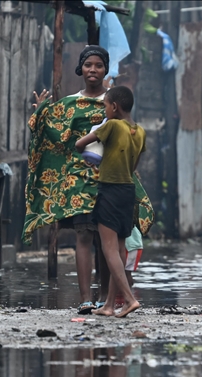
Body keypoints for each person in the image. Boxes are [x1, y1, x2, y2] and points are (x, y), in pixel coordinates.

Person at [23, 45, 153, 315]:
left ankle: (106, 298)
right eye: (88, 65)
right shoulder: (69, 104)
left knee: (107, 241)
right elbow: (54, 134)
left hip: (110, 179)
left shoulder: (115, 101)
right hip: (78, 180)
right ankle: (85, 299)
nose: (93, 70)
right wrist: (41, 113)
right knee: (83, 235)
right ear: (80, 68)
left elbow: (126, 139)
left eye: (98, 65)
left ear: (106, 70)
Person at [74, 86, 144, 318]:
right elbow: (133, 166)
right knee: (120, 249)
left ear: (114, 107)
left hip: (110, 190)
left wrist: (94, 156)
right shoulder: (140, 132)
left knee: (109, 249)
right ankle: (110, 305)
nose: (104, 110)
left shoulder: (112, 125)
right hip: (128, 191)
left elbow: (80, 144)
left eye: (105, 106)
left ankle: (130, 299)